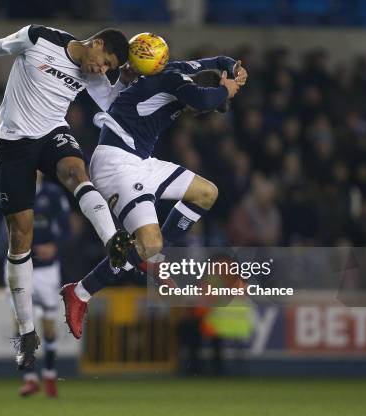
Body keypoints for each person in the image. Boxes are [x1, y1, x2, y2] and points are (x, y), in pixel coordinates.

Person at [0, 24, 134, 370]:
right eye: (105, 62)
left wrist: (140, 79)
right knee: (19, 235)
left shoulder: (95, 78)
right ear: (96, 43)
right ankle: (26, 332)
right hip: (13, 145)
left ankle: (114, 241)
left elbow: (123, 104)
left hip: (53, 132)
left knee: (76, 171)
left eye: (108, 68)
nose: (102, 70)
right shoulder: (40, 38)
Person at [60, 57, 248, 339]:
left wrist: (233, 66)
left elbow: (213, 62)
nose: (195, 113)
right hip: (116, 164)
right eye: (198, 110)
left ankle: (154, 258)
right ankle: (80, 292)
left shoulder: (183, 71)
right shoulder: (177, 82)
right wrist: (229, 88)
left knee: (206, 193)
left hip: (140, 161)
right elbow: (204, 100)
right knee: (148, 242)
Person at [0, 173, 70, 397]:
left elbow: (67, 229)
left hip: (46, 268)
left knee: (48, 325)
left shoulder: (54, 194)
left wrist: (55, 246)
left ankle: (49, 373)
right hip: (16, 265)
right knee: (19, 322)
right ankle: (30, 378)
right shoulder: (8, 192)